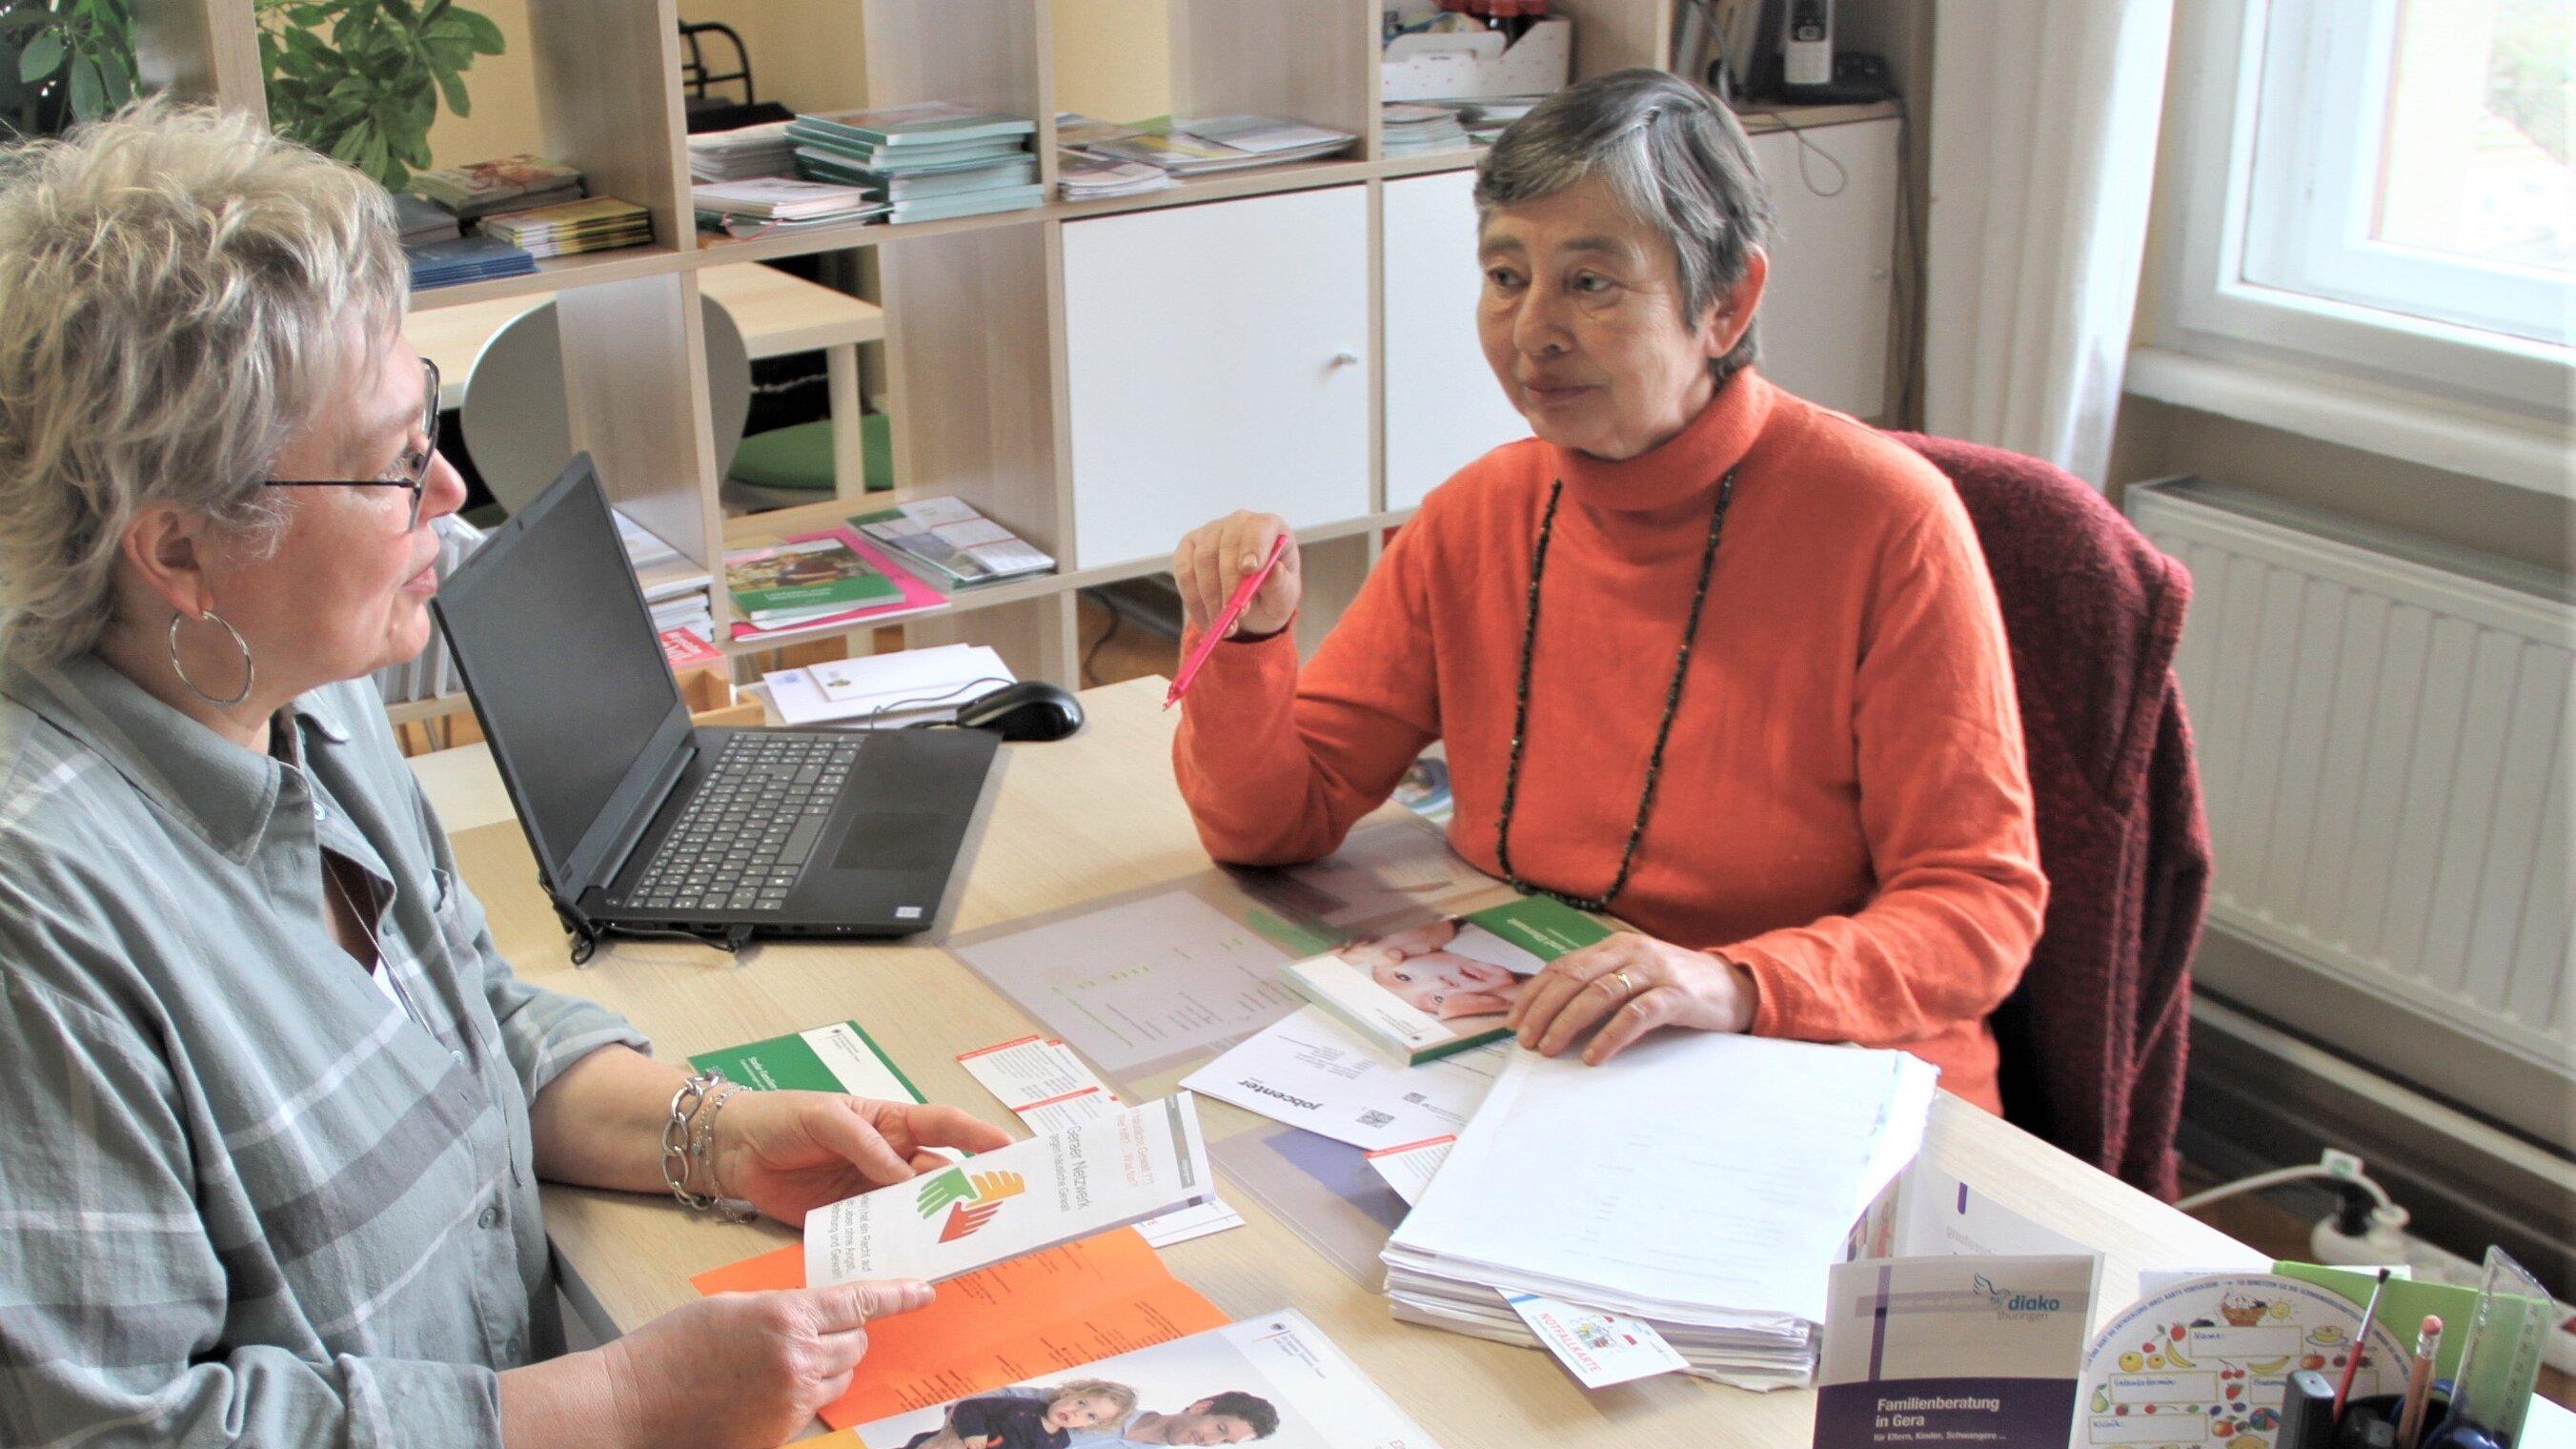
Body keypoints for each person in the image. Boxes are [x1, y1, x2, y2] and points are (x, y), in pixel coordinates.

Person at [0, 102, 1014, 1448]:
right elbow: (118, 1431)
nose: (445, 496)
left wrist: (718, 1135)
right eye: (385, 465)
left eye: (427, 426)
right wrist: (626, 1397)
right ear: (178, 552)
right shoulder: (40, 915)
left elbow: (465, 1019)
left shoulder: (299, 689)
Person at [1169, 69, 2047, 1112]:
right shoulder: (1480, 511)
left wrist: (1734, 979)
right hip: (1556, 1039)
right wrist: (1249, 644)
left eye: (1591, 282)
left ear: (1726, 303)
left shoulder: (1889, 523)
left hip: (1827, 1068)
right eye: (1505, 274)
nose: (1533, 329)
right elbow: (1275, 824)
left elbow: (1977, 909)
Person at [1345, 917, 1533, 1021]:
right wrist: (1503, 997)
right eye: (1438, 998)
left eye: (1404, 977)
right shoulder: (1522, 980)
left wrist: (1440, 926)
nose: (1442, 983)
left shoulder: (1462, 935)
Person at [902, 1378, 1137, 1449]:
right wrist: (973, 1433)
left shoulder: (1059, 1442)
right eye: (1081, 1402)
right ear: (1067, 1393)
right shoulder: (1024, 1407)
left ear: (1090, 1426)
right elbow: (971, 1407)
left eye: (1090, 1416)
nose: (1077, 1412)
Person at [1070, 1392, 1281, 1447]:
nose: (1209, 1442)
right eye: (1220, 1428)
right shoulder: (1110, 1404)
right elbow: (1037, 1397)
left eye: (1224, 1441)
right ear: (1201, 1407)